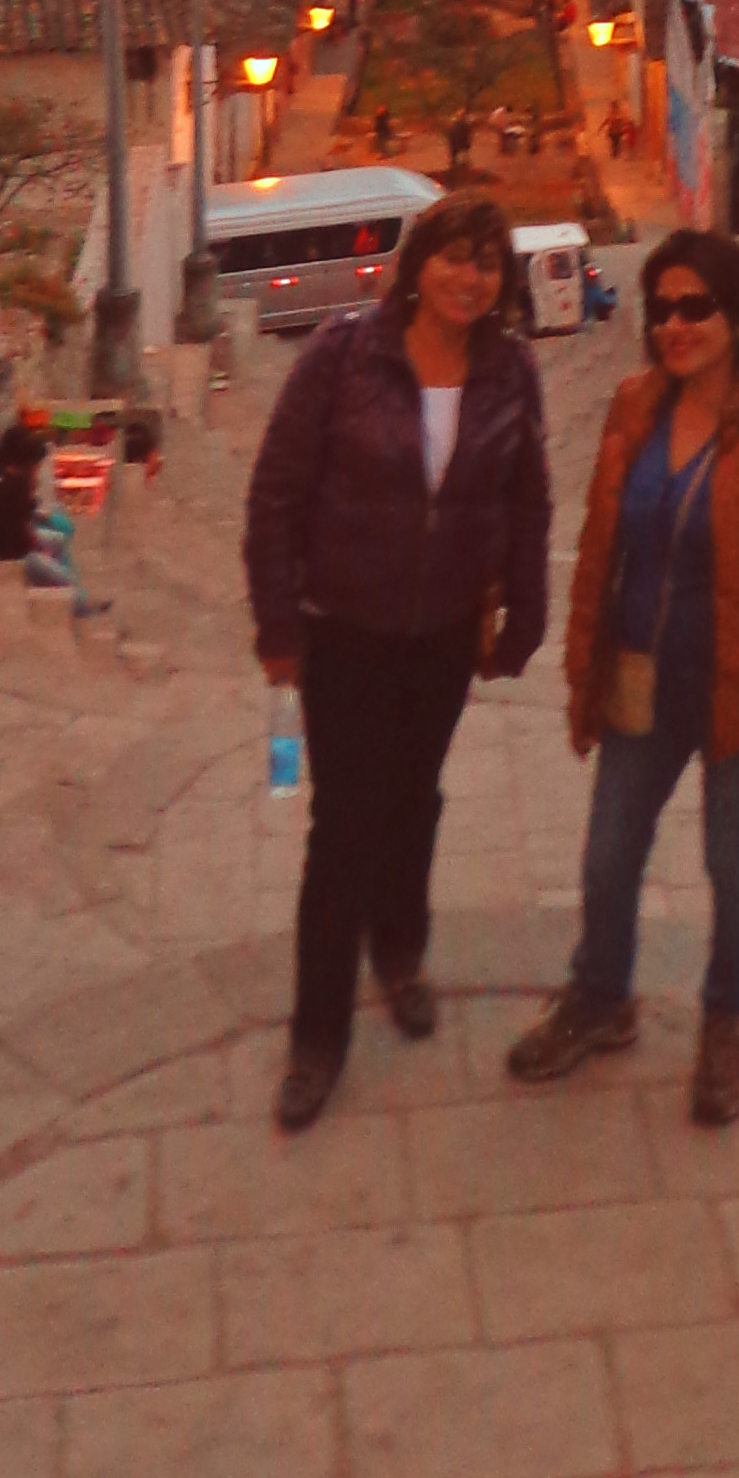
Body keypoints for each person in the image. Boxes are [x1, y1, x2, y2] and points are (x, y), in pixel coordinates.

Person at [508, 226, 739, 1131]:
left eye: (695, 307)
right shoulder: (635, 408)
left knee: (731, 862)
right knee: (607, 853)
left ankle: (727, 1022)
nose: (674, 325)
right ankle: (601, 996)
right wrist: (583, 666)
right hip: (641, 677)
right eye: (661, 309)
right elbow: (601, 551)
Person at [241, 185, 551, 1133]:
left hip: (444, 631)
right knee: (344, 826)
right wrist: (279, 628)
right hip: (346, 628)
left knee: (417, 800)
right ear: (417, 267)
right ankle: (317, 1037)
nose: (470, 277)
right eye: (453, 256)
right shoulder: (343, 356)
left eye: (487, 263)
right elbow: (275, 493)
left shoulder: (510, 371)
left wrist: (525, 615)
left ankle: (402, 953)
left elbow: (527, 499)